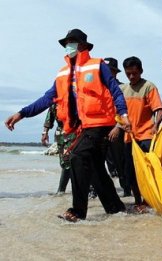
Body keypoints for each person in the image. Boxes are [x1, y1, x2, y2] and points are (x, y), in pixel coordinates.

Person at [4, 28, 131, 222]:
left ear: (82, 45)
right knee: (96, 168)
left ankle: (77, 212)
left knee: (78, 156)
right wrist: (22, 113)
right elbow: (47, 99)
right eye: (66, 43)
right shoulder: (63, 73)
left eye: (71, 42)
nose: (67, 46)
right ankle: (115, 209)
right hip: (83, 127)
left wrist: (123, 114)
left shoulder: (97, 65)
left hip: (101, 124)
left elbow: (115, 91)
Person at [121, 56, 162, 213]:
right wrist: (118, 126)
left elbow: (159, 108)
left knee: (147, 171)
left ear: (140, 71)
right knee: (131, 172)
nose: (131, 76)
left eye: (134, 73)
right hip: (129, 138)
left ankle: (149, 200)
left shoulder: (148, 87)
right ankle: (138, 201)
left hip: (146, 135)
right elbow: (119, 113)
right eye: (128, 74)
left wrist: (156, 124)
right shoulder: (123, 90)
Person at [104, 57, 131, 197]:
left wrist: (117, 126)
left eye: (108, 71)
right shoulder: (99, 87)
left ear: (115, 72)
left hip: (116, 130)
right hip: (100, 129)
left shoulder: (122, 88)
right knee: (100, 162)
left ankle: (126, 190)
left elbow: (126, 110)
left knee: (120, 161)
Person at [41, 104, 76, 195]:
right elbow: (49, 118)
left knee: (74, 161)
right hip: (61, 135)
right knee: (65, 162)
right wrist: (45, 133)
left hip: (76, 132)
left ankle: (89, 190)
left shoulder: (76, 96)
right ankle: (61, 191)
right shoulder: (55, 101)